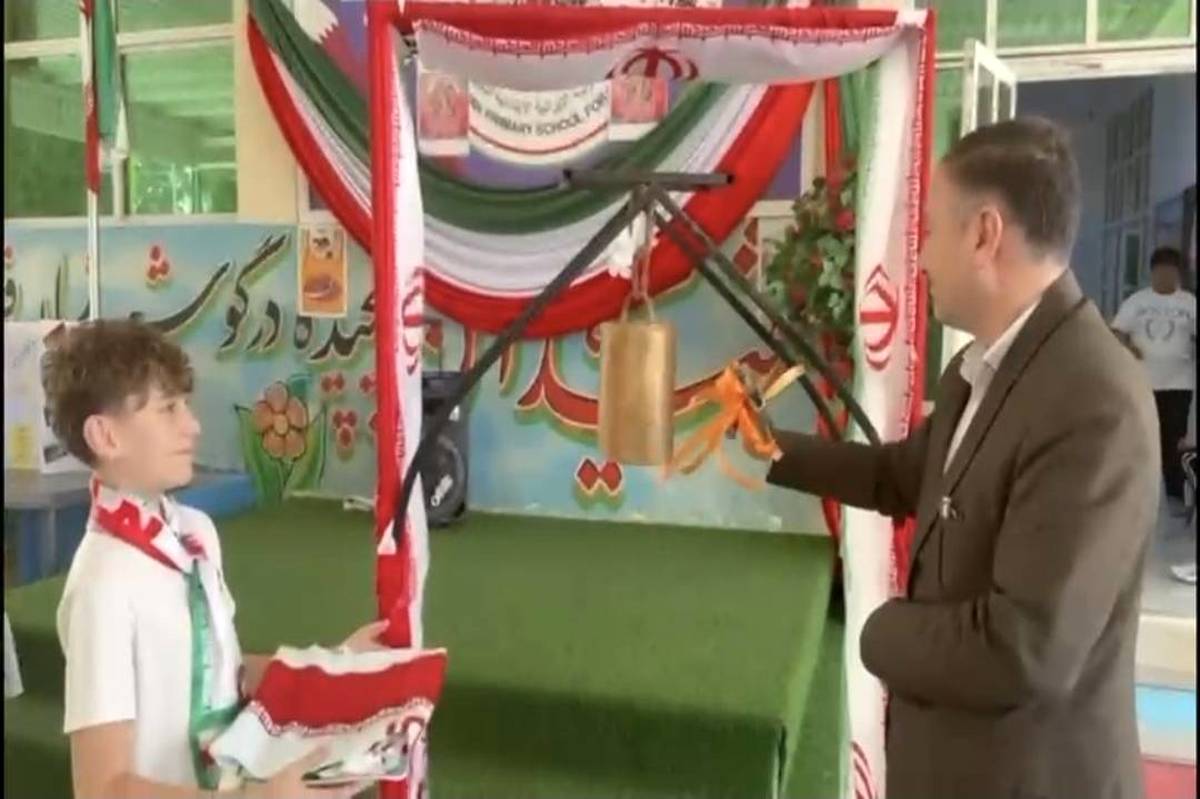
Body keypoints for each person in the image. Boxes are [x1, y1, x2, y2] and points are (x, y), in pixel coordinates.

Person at [767, 118, 1158, 798]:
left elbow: (1023, 647)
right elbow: (903, 476)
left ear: (984, 234)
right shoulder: (980, 368)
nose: (920, 257)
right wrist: (767, 446)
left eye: (929, 231)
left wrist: (876, 629)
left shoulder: (1094, 400)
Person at [43, 319, 381, 799]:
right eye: (168, 409)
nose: (193, 425)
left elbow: (224, 676)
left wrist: (338, 666)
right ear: (106, 436)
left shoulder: (192, 533)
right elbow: (102, 788)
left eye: (186, 404)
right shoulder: (102, 586)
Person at [1112, 246, 1198, 517]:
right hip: (1143, 382)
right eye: (1160, 272)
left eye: (1170, 272)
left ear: (1178, 274)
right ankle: (1137, 495)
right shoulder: (1137, 302)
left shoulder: (1189, 303)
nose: (1165, 277)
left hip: (1179, 382)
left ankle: (1175, 495)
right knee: (1143, 437)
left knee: (1174, 439)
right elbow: (1117, 332)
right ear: (1152, 273)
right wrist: (1129, 349)